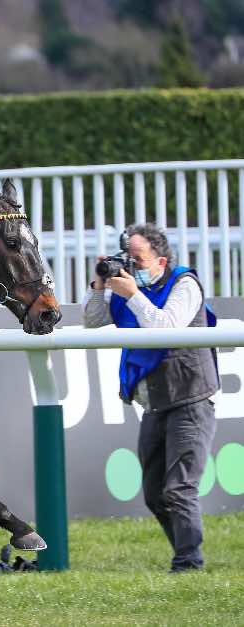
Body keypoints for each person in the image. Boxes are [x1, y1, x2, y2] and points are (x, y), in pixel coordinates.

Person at [83, 223, 218, 572]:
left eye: (138, 260)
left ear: (161, 260)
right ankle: (187, 556)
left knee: (179, 488)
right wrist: (100, 286)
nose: (132, 267)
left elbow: (165, 328)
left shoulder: (185, 283)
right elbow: (92, 321)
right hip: (155, 404)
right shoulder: (131, 289)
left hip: (191, 399)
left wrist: (131, 294)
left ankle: (189, 562)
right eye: (128, 258)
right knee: (155, 493)